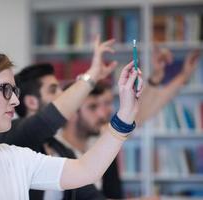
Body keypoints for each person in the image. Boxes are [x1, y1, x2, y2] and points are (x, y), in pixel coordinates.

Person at [0, 48, 143, 199]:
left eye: (14, 90)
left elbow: (86, 170)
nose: (15, 100)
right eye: (4, 89)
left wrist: (124, 114)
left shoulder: (14, 156)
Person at [56, 48, 200, 199]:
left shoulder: (97, 136)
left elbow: (139, 114)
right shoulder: (54, 152)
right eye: (93, 107)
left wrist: (180, 76)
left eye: (107, 104)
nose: (103, 113)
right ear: (71, 113)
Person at [0, 38, 117, 199]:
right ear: (31, 101)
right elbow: (48, 118)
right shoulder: (14, 135)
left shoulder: (60, 149)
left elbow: (90, 196)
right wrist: (92, 75)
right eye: (53, 90)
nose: (61, 95)